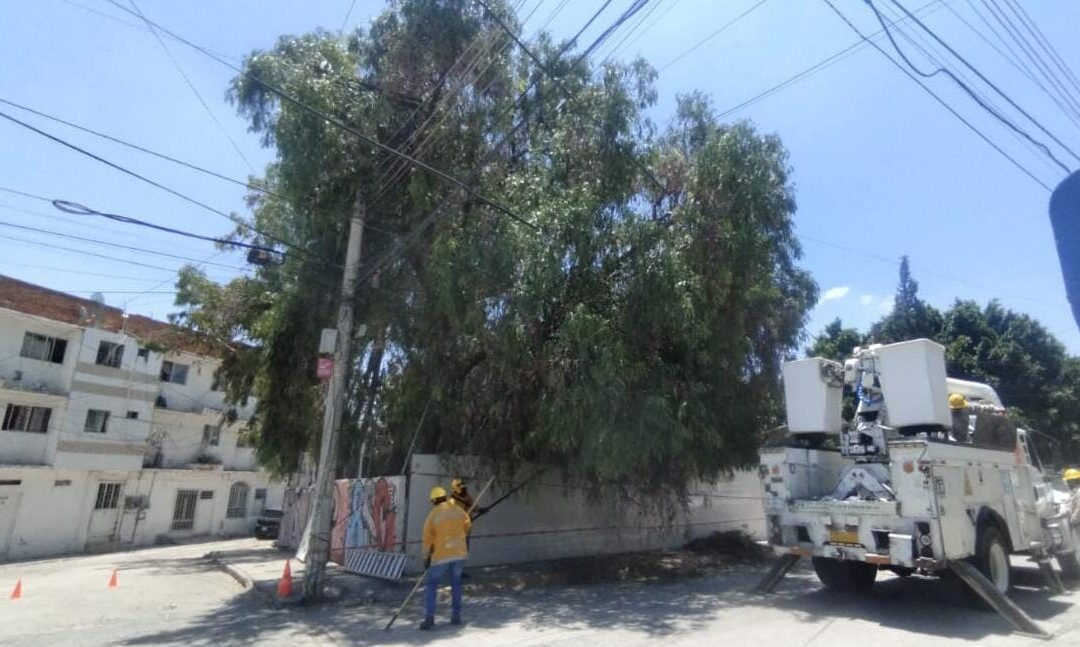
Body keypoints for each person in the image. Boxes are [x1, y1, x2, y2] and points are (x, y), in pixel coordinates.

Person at [421, 485, 471, 630]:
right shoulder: (459, 510)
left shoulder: (433, 515)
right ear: (445, 497)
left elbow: (427, 538)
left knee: (432, 585)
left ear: (433, 501)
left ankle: (429, 619)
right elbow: (468, 527)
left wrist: (426, 557)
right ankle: (456, 617)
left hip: (441, 555)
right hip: (459, 553)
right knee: (456, 585)